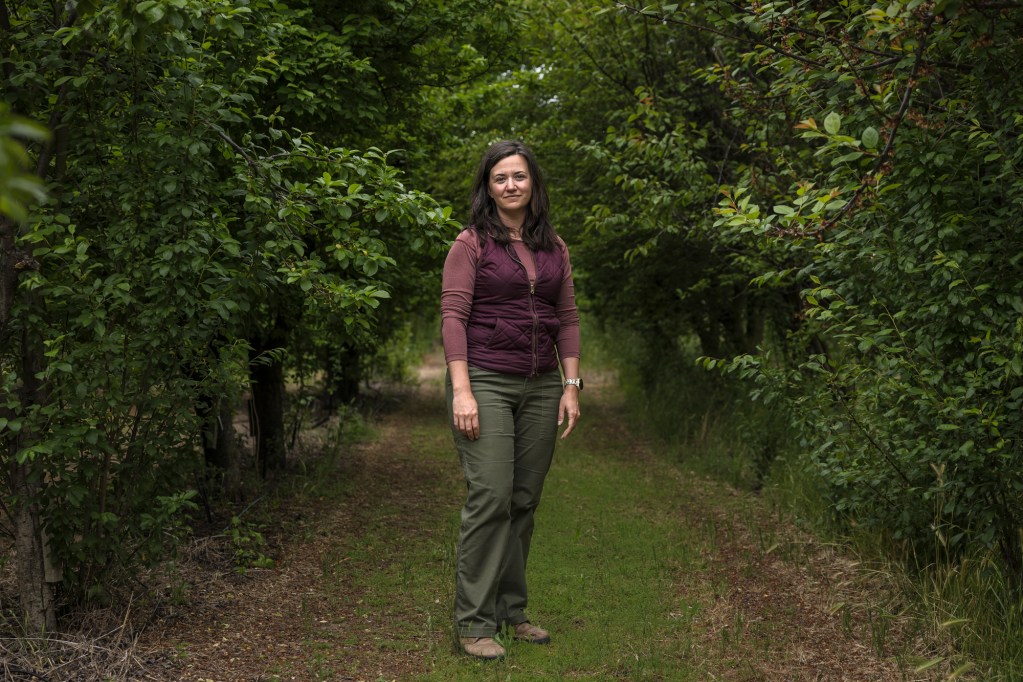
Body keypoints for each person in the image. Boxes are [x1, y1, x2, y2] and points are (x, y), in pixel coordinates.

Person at [441, 140, 582, 661]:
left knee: (523, 501)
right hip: (485, 381)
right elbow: (453, 317)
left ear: (533, 184)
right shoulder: (471, 244)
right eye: (500, 178)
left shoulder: (555, 247)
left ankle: (510, 610)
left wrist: (571, 386)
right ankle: (474, 622)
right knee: (491, 497)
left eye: (519, 176)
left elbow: (567, 319)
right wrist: (462, 391)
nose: (510, 185)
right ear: (487, 187)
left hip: (543, 385)